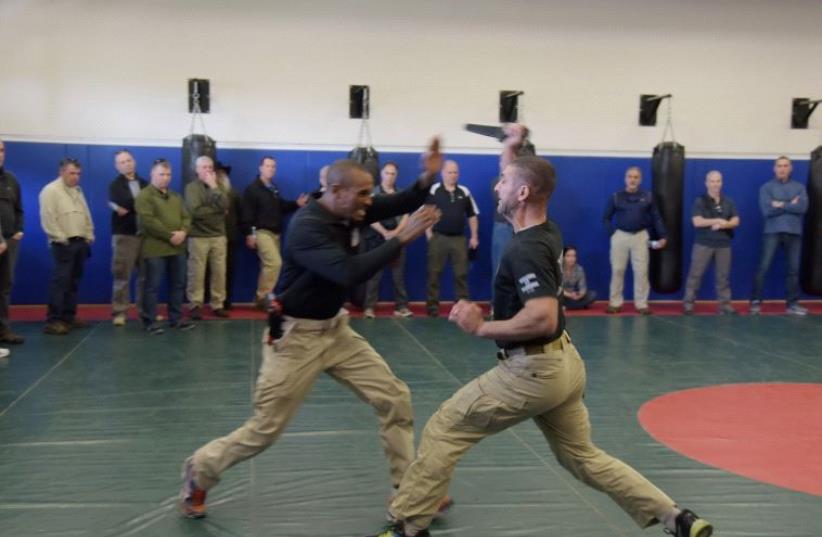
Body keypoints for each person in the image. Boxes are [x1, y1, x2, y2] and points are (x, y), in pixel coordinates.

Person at [367, 124, 713, 537]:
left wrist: (481, 327)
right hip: (565, 366)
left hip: (532, 372)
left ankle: (406, 524)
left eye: (504, 182)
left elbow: (543, 317)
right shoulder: (545, 230)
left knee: (446, 425)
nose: (497, 187)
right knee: (581, 456)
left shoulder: (526, 247)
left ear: (523, 194)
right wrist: (512, 150)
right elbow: (522, 179)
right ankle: (677, 517)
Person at [178, 140, 444, 519]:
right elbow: (348, 272)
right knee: (264, 430)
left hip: (335, 331)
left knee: (394, 398)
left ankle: (408, 490)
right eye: (363, 194)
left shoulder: (351, 208)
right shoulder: (307, 227)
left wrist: (427, 176)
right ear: (336, 192)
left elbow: (400, 202)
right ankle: (200, 470)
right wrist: (403, 236)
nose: (369, 202)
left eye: (370, 193)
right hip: (295, 338)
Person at [135, 159, 195, 334]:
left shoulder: (176, 196)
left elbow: (187, 217)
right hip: (155, 248)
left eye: (168, 174)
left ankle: (175, 319)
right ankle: (149, 321)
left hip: (178, 248)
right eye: (162, 174)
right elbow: (149, 222)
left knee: (178, 284)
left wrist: (183, 232)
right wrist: (171, 236)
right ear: (152, 174)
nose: (166, 178)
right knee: (152, 286)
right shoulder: (144, 196)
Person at [241, 156, 308, 310]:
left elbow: (280, 206)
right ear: (260, 168)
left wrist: (296, 204)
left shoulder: (273, 188)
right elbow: (247, 215)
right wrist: (250, 234)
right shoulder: (252, 189)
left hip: (276, 234)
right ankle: (264, 298)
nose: (270, 169)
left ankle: (261, 299)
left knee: (269, 266)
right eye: (267, 166)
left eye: (273, 166)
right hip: (261, 232)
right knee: (274, 263)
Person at [39, 158, 94, 335]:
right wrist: (61, 238)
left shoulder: (77, 190)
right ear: (61, 172)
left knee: (73, 282)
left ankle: (69, 316)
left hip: (80, 242)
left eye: (78, 173)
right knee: (60, 283)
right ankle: (53, 320)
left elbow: (86, 214)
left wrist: (89, 235)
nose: (76, 177)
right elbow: (48, 219)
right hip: (63, 243)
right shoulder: (50, 190)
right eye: (72, 173)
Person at [603, 167, 667, 315]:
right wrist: (613, 234)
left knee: (641, 271)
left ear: (640, 180)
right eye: (630, 177)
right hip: (620, 236)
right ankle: (615, 303)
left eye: (636, 177)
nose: (633, 180)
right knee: (617, 270)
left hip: (640, 237)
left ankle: (641, 304)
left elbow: (656, 217)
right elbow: (606, 218)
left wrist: (663, 235)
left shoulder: (648, 196)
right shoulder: (616, 197)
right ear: (626, 179)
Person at [750, 156, 809, 316]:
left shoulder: (799, 187)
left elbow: (802, 208)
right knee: (763, 267)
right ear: (774, 168)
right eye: (779, 166)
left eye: (785, 165)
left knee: (793, 270)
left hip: (794, 232)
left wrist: (780, 203)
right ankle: (755, 301)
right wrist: (791, 203)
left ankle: (792, 304)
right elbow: (767, 211)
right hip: (772, 231)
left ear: (791, 168)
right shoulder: (766, 188)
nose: (782, 168)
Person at [425, 160, 479, 317]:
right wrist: (429, 235)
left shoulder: (464, 192)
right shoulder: (434, 190)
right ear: (443, 173)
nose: (453, 175)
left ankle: (461, 308)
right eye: (449, 172)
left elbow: (472, 215)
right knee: (434, 273)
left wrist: (474, 237)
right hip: (438, 238)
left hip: (459, 239)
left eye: (455, 172)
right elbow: (427, 213)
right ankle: (432, 308)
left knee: (461, 274)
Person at [683, 171, 740, 315]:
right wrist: (716, 220)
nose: (715, 184)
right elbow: (697, 221)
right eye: (712, 181)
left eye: (718, 181)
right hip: (704, 244)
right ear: (707, 183)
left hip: (723, 245)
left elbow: (736, 220)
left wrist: (724, 225)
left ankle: (725, 306)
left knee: (723, 277)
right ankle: (688, 304)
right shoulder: (700, 201)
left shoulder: (728, 201)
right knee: (695, 275)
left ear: (722, 183)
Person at [364, 162, 412, 318]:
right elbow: (368, 216)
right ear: (382, 174)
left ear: (396, 176)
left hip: (397, 239)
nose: (390, 176)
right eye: (387, 173)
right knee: (374, 276)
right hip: (377, 239)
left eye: (393, 174)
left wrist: (396, 232)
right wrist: (384, 232)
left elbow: (406, 216)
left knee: (398, 276)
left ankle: (401, 307)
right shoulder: (373, 193)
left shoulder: (401, 194)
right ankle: (369, 307)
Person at [184, 155, 229, 319]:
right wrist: (217, 211)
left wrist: (214, 187)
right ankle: (195, 304)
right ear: (197, 170)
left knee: (219, 272)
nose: (208, 170)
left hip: (219, 236)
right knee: (196, 272)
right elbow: (195, 212)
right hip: (198, 236)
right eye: (204, 167)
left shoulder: (219, 186)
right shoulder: (191, 188)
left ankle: (217, 304)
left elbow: (225, 206)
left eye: (210, 167)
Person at [108, 150, 148, 326]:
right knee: (122, 276)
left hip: (145, 236)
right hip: (125, 236)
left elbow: (149, 204)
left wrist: (132, 206)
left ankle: (145, 312)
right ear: (117, 167)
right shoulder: (115, 185)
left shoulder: (146, 183)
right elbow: (126, 201)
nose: (126, 164)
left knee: (145, 277)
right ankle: (120, 312)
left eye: (129, 160)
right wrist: (138, 205)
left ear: (135, 161)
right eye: (122, 162)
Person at [0, 139, 25, 345]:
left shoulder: (10, 179)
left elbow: (18, 209)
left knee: (5, 285)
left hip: (10, 242)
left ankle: (4, 329)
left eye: (1, 150)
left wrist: (18, 231)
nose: (0, 154)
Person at [215, 162, 243, 310]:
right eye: (217, 173)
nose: (220, 176)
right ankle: (215, 301)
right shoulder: (208, 193)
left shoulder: (235, 194)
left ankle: (227, 300)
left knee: (228, 270)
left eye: (222, 174)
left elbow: (242, 216)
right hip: (212, 236)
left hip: (230, 237)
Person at [561, 245, 597, 309]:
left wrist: (579, 295)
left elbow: (582, 288)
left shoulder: (579, 269)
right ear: (563, 257)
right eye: (568, 256)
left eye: (574, 256)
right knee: (551, 295)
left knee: (593, 295)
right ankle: (575, 306)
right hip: (562, 295)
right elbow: (556, 288)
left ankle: (567, 306)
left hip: (573, 296)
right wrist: (569, 295)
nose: (571, 259)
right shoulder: (558, 268)